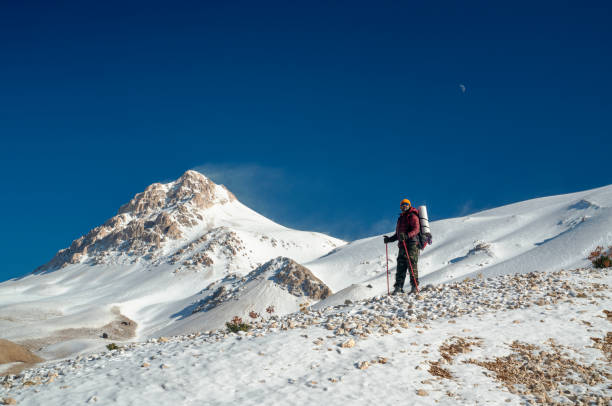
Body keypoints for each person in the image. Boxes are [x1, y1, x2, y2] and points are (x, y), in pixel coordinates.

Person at [384, 199, 420, 295]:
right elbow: (398, 234)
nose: (404, 206)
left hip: (412, 243)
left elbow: (416, 229)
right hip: (402, 245)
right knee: (401, 266)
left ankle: (414, 286)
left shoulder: (412, 216)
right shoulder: (400, 219)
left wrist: (407, 235)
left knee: (411, 264)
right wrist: (389, 239)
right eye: (402, 205)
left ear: (409, 205)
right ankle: (398, 287)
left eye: (406, 204)